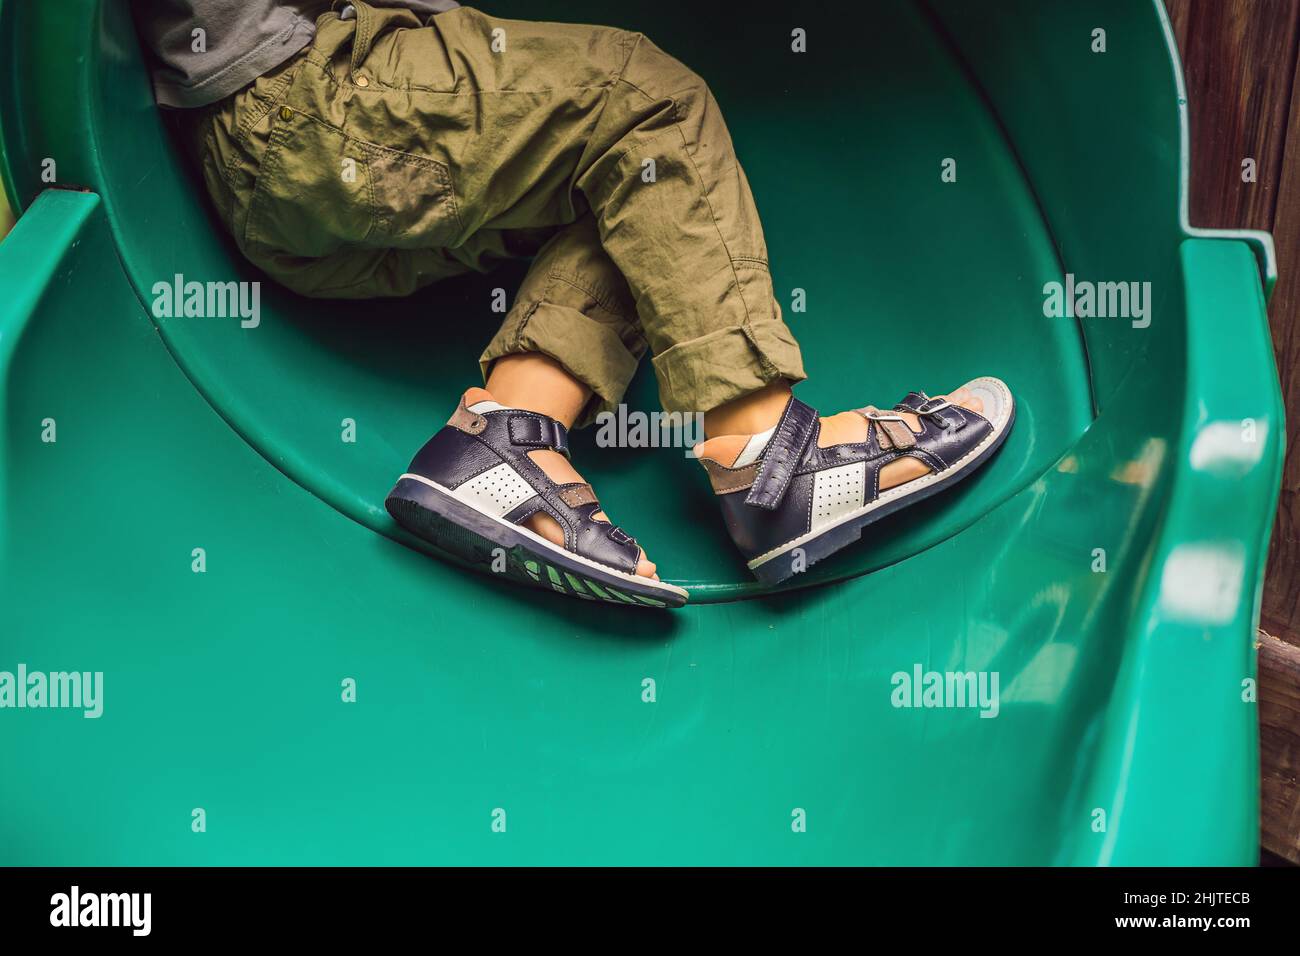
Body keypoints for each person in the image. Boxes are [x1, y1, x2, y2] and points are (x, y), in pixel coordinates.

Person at [136, 0, 1014, 608]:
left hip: (283, 196)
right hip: (306, 108)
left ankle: (500, 446)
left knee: (636, 200)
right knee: (647, 101)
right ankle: (776, 465)